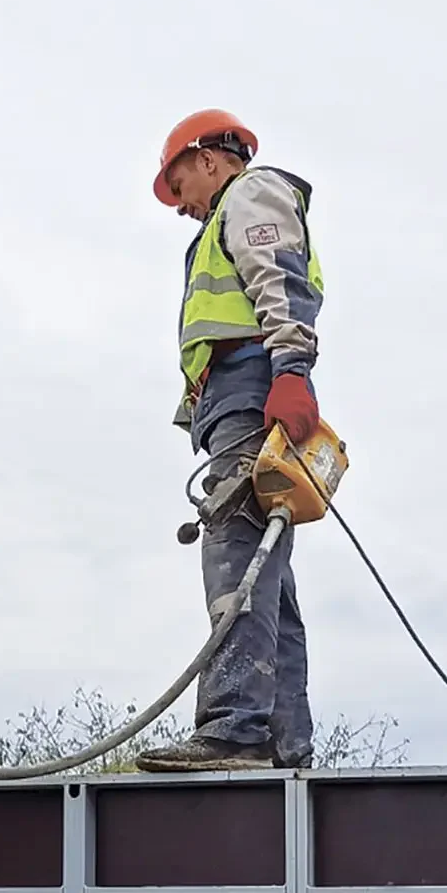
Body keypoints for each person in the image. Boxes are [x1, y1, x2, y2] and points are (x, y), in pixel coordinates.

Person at [137, 109, 324, 772]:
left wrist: (291, 372)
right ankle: (282, 742)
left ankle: (234, 730)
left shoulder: (249, 193)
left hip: (251, 388)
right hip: (237, 396)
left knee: (236, 553)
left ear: (209, 159)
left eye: (178, 181)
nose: (179, 202)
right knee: (266, 571)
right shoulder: (225, 215)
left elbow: (280, 279)